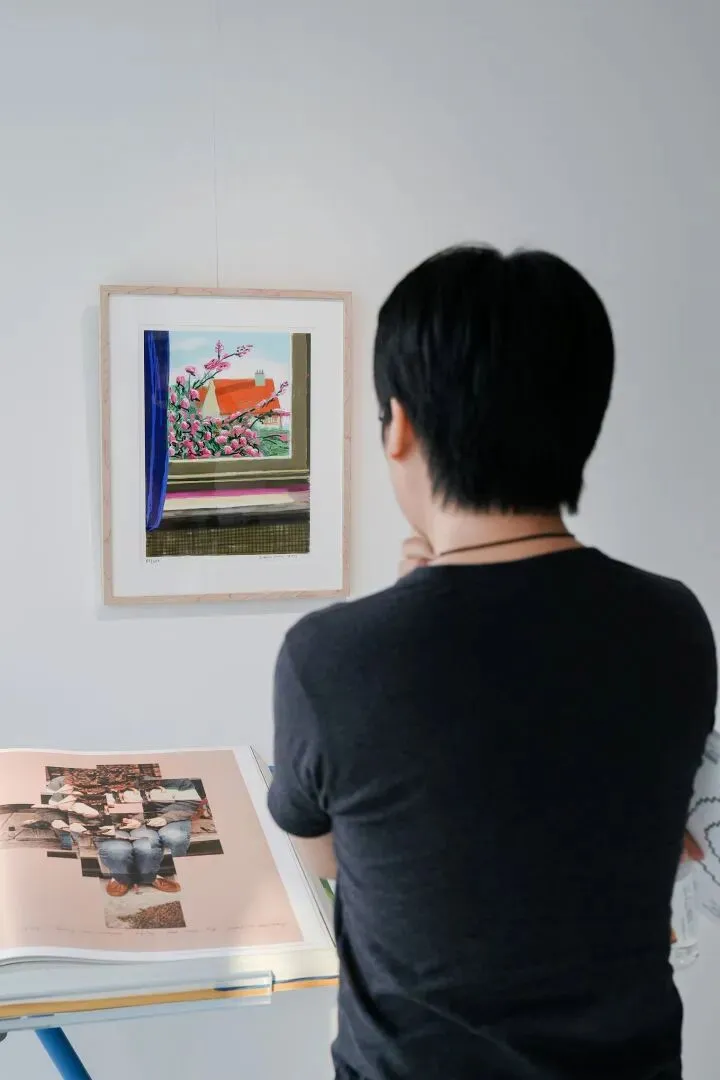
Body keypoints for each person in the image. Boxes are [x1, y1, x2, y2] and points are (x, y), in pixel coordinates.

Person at [267, 246, 716, 1080]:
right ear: (583, 422)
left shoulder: (331, 658)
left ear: (399, 426)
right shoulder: (675, 624)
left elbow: (329, 858)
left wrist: (409, 604)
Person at [97, 779, 199, 897]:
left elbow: (153, 808)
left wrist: (140, 820)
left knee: (148, 846)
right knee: (117, 850)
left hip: (142, 823)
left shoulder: (148, 785)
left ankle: (150, 876)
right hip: (112, 825)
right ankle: (120, 877)